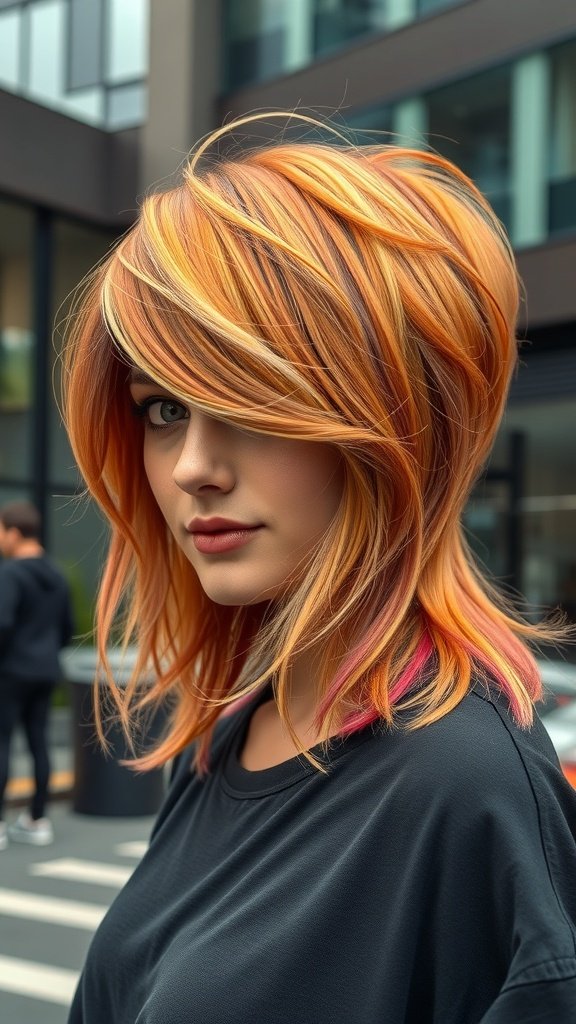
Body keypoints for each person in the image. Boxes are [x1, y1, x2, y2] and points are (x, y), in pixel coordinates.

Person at [63, 112, 576, 1023]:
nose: (191, 467)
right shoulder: (235, 727)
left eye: (249, 399)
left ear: (391, 418)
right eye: (164, 408)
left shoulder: (467, 791)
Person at [0, 500, 74, 848]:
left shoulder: (11, 573)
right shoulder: (58, 574)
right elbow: (68, 629)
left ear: (14, 533)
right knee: (38, 742)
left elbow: (2, 623)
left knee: (2, 743)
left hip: (11, 670)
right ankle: (37, 819)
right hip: (46, 670)